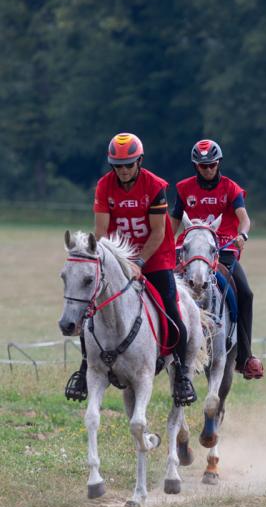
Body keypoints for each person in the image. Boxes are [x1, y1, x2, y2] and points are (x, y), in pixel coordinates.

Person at [64, 133, 197, 406]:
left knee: (172, 308)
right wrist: (102, 261)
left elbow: (159, 232)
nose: (123, 170)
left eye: (128, 164)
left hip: (154, 256)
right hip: (117, 256)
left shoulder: (154, 186)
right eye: (118, 165)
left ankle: (182, 373)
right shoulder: (104, 186)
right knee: (92, 309)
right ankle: (84, 368)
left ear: (139, 162)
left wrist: (140, 264)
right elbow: (100, 232)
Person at [171, 139, 264, 379]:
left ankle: (245, 355)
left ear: (218, 163)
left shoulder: (231, 188)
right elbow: (173, 222)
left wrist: (243, 234)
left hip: (222, 248)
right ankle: (163, 346)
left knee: (245, 293)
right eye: (203, 166)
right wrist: (166, 245)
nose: (208, 170)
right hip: (189, 249)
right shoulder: (184, 189)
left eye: (211, 165)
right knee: (164, 286)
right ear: (195, 167)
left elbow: (244, 218)